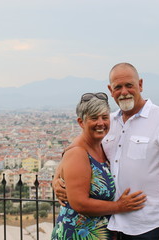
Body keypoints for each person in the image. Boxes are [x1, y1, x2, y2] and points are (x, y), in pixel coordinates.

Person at [54, 63, 159, 240]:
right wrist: (57, 178)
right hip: (114, 226)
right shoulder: (108, 122)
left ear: (140, 85)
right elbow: (76, 150)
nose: (124, 91)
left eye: (129, 85)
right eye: (118, 87)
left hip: (149, 225)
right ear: (111, 90)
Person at [51, 92, 146, 240]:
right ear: (81, 122)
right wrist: (120, 207)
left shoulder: (100, 145)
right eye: (94, 118)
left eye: (105, 117)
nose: (100, 123)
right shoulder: (78, 152)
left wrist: (56, 178)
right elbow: (79, 204)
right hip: (77, 234)